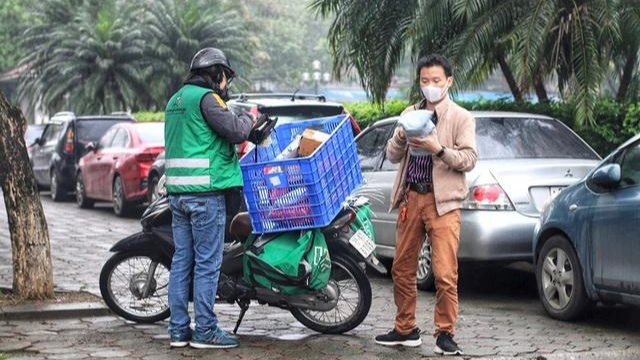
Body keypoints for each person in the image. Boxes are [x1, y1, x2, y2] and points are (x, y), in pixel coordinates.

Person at [375, 54, 477, 356]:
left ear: (448, 81)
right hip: (411, 198)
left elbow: (469, 159)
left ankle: (445, 333)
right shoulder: (410, 112)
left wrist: (439, 149)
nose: (430, 86)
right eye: (424, 81)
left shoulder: (460, 117)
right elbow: (392, 155)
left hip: (442, 203)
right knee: (402, 269)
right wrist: (401, 137)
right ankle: (405, 329)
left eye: (436, 81)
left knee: (445, 273)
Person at [164, 47, 255, 349]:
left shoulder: (175, 100)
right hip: (205, 195)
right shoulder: (207, 98)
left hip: (178, 196)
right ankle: (205, 331)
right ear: (215, 74)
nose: (226, 84)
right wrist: (248, 120)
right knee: (206, 265)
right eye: (225, 77)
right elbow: (234, 131)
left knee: (182, 263)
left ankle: (178, 331)